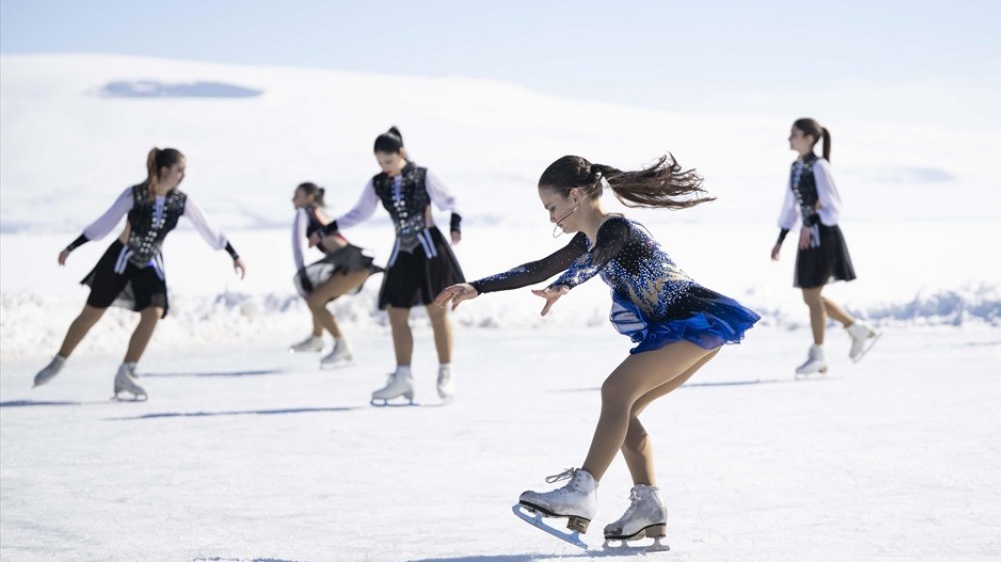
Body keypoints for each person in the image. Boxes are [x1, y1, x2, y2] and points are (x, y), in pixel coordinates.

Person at [435, 154, 758, 547]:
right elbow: (540, 266)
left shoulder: (616, 227)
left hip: (693, 321)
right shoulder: (586, 239)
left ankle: (582, 492)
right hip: (685, 328)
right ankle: (648, 507)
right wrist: (478, 286)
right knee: (624, 413)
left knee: (615, 393)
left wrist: (567, 284)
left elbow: (598, 258)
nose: (551, 217)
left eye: (552, 207)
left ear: (575, 195)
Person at [32, 147, 246, 400]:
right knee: (91, 315)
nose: (183, 176)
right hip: (120, 259)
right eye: (180, 170)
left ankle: (127, 371)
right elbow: (105, 222)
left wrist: (233, 254)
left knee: (154, 311)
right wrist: (72, 247)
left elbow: (208, 226)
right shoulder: (135, 194)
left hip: (151, 262)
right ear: (165, 170)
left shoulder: (181, 201)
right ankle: (60, 359)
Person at [316, 127, 464, 403]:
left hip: (430, 249)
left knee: (437, 310)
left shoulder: (423, 175)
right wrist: (329, 227)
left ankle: (446, 371)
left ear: (401, 154)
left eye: (388, 161)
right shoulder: (378, 183)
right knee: (397, 312)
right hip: (403, 251)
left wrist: (455, 224)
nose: (384, 167)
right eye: (380, 162)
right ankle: (403, 376)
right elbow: (360, 212)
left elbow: (451, 201)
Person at [771, 118, 878, 376]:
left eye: (794, 134)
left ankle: (819, 353)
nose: (789, 138)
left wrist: (812, 223)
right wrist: (781, 239)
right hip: (809, 237)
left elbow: (833, 206)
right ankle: (855, 328)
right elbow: (791, 207)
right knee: (811, 296)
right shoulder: (796, 166)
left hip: (825, 236)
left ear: (809, 138)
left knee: (811, 296)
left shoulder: (820, 166)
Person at [289, 182, 382, 366]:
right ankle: (317, 337)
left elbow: (297, 245)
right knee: (315, 297)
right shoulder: (318, 213)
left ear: (309, 197)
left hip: (351, 264)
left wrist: (301, 272)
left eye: (297, 195)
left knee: (314, 301)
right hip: (352, 262)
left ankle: (341, 345)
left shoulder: (303, 212)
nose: (292, 199)